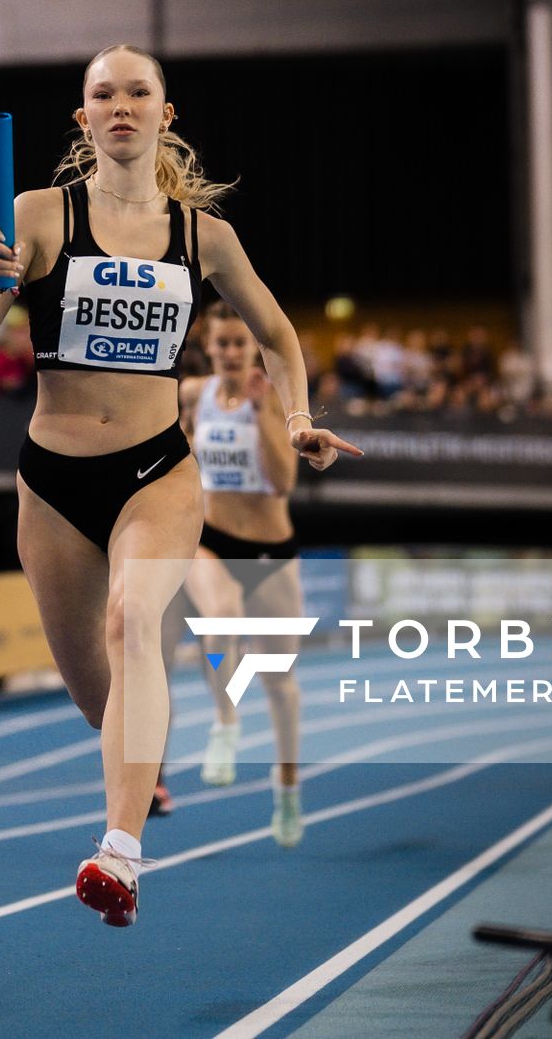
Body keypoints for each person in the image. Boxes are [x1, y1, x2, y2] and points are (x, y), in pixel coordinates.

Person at [0, 43, 358, 927]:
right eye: (105, 94)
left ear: (165, 115)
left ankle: (120, 855)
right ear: (82, 116)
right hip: (52, 482)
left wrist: (295, 418)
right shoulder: (38, 214)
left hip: (156, 471)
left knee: (135, 619)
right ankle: (146, 770)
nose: (122, 105)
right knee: (102, 701)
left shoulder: (202, 235)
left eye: (140, 93)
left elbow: (281, 336)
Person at [180, 302, 306, 846]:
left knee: (280, 683)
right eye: (222, 344)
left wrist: (258, 413)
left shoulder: (273, 398)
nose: (231, 354)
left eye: (240, 344)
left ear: (254, 348)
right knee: (220, 621)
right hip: (213, 541)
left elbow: (282, 484)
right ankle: (226, 723)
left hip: (272, 551)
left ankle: (287, 789)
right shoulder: (192, 395)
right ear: (207, 347)